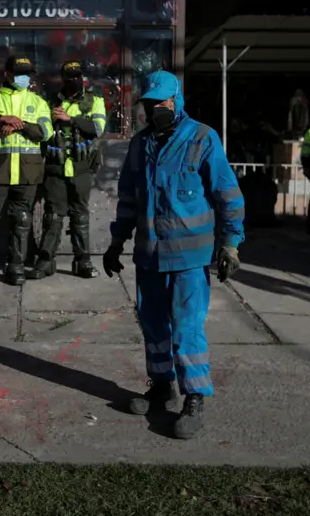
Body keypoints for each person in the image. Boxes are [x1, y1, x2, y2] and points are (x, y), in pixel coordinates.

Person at [103, 70, 244, 440]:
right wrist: (117, 242)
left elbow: (227, 194)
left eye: (161, 102)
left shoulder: (202, 138)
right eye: (149, 104)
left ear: (176, 100)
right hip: (149, 255)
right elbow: (129, 199)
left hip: (190, 257)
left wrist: (230, 242)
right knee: (153, 325)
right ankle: (161, 386)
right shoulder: (140, 144)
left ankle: (195, 396)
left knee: (186, 329)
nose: (155, 109)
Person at [0, 56, 53, 285]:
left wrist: (21, 124)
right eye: (19, 73)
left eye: (27, 74)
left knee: (22, 218)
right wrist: (0, 120)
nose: (25, 78)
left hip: (27, 171)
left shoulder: (37, 101)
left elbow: (46, 132)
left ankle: (15, 266)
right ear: (7, 74)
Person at [27, 61, 106, 280]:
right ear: (62, 79)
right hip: (56, 167)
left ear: (83, 78)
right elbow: (42, 132)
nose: (74, 81)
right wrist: (52, 119)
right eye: (69, 77)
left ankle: (83, 261)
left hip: (81, 168)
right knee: (52, 215)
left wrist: (70, 119)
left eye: (77, 76)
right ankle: (45, 261)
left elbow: (97, 129)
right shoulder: (49, 102)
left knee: (80, 215)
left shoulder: (94, 101)